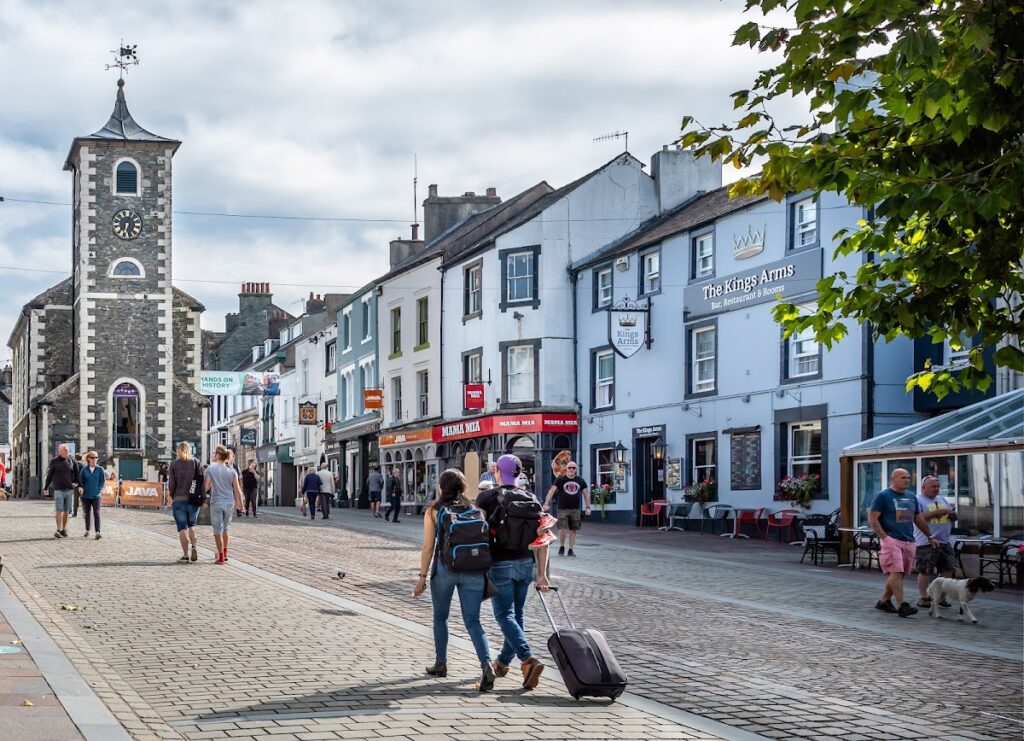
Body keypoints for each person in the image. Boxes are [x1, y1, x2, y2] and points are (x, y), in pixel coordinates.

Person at [412, 469, 495, 692]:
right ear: (463, 487)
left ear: (442, 487)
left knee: (441, 617)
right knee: (473, 622)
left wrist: (422, 577)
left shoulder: (433, 511)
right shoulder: (477, 511)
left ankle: (441, 663)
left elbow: (428, 546)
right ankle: (487, 664)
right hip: (474, 570)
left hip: (445, 569)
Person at [476, 454, 550, 689]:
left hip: (500, 564)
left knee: (504, 616)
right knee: (516, 616)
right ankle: (502, 663)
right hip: (526, 564)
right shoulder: (532, 498)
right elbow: (544, 539)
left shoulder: (487, 497)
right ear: (519, 473)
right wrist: (542, 573)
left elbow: (476, 530)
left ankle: (528, 659)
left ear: (497, 470)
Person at [868, 468, 939, 618]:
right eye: (903, 478)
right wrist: (884, 537)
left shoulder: (911, 497)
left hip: (909, 540)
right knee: (897, 572)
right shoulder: (883, 496)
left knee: (900, 574)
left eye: (908, 477)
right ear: (893, 479)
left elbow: (918, 518)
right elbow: (873, 519)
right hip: (891, 539)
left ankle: (884, 601)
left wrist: (930, 536)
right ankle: (902, 605)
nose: (907, 480)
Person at [914, 475, 958, 609]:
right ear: (923, 487)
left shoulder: (942, 499)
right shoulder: (917, 500)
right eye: (933, 486)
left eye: (938, 486)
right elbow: (917, 517)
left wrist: (953, 516)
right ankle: (923, 597)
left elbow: (951, 517)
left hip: (944, 541)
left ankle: (940, 596)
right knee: (926, 570)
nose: (937, 489)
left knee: (949, 568)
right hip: (926, 541)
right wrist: (936, 512)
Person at [543, 461, 591, 557]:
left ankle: (570, 549)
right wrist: (546, 503)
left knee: (573, 530)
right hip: (562, 509)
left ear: (576, 470)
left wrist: (588, 507)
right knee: (562, 529)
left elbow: (586, 493)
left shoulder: (580, 480)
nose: (571, 469)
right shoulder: (560, 480)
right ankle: (561, 546)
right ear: (566, 469)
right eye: (569, 467)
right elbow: (552, 491)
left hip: (575, 509)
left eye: (573, 468)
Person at [206, 446, 244, 564]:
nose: (212, 454)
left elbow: (206, 487)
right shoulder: (232, 471)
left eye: (213, 453)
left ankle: (221, 556)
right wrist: (241, 505)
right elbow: (237, 489)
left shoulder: (210, 469)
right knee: (225, 529)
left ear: (218, 455)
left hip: (216, 501)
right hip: (229, 502)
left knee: (217, 530)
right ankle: (225, 553)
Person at [168, 442, 202, 562]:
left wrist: (171, 495)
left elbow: (172, 484)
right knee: (192, 525)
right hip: (193, 500)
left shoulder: (173, 464)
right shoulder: (196, 463)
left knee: (182, 528)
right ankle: (194, 547)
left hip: (179, 500)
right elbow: (200, 480)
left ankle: (185, 555)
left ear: (178, 451)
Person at [44, 444, 79, 538]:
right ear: (59, 451)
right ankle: (59, 529)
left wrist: (77, 483)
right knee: (59, 510)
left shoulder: (72, 460)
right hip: (58, 489)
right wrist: (46, 487)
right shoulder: (54, 461)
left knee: (67, 511)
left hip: (69, 490)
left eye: (68, 450)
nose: (67, 452)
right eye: (65, 451)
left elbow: (76, 473)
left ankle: (64, 529)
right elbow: (50, 475)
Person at [78, 451, 105, 540]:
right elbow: (80, 481)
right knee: (87, 513)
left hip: (96, 496)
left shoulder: (100, 469)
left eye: (96, 457)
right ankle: (87, 529)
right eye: (92, 457)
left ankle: (98, 532)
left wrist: (99, 490)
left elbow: (102, 481)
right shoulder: (84, 470)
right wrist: (81, 487)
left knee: (96, 513)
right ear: (88, 459)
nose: (94, 459)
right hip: (86, 496)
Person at [72, 453, 84, 518]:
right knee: (83, 500)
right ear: (81, 458)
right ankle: (85, 513)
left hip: (76, 485)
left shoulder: (74, 465)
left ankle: (75, 513)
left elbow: (73, 475)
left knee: (75, 499)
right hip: (82, 485)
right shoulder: (84, 465)